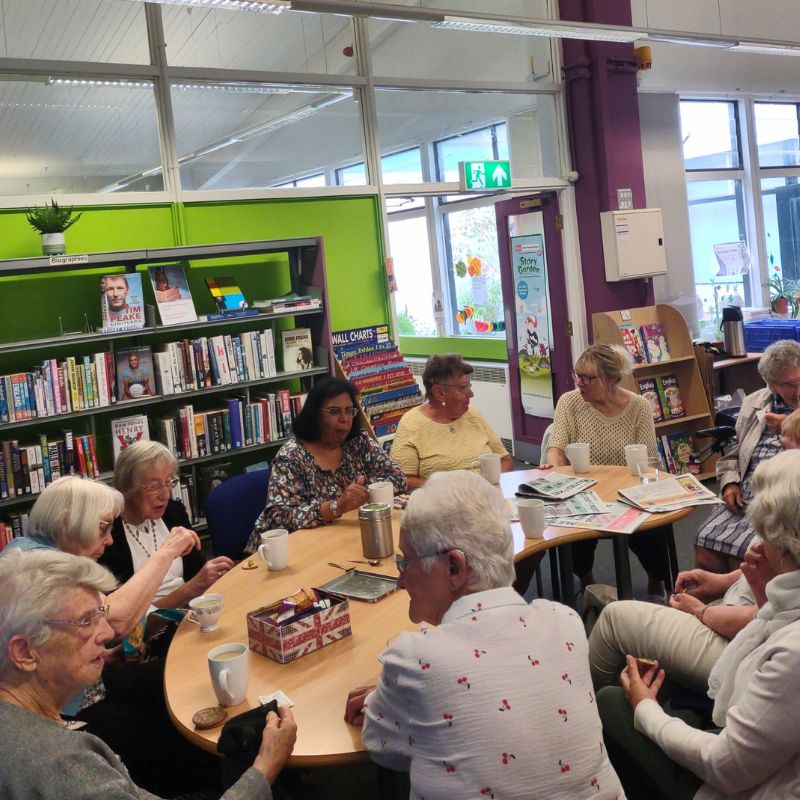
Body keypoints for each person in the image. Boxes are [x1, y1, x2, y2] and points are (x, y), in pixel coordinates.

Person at [344, 470, 623, 800]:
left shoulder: (414, 659)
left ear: (454, 568)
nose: (400, 580)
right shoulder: (565, 621)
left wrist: (389, 693)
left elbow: (382, 747)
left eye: (406, 562)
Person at [0, 547, 297, 800]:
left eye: (101, 614)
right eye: (85, 622)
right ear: (25, 653)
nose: (106, 632)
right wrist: (264, 769)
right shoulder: (64, 766)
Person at [597, 450, 800, 800]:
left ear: (783, 548)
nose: (756, 544)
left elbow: (726, 766)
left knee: (613, 700)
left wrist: (646, 709)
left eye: (763, 535)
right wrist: (763, 589)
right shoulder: (786, 599)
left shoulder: (792, 654)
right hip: (756, 752)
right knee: (634, 687)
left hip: (740, 786)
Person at [543, 344, 666, 600]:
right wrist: (552, 467)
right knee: (574, 530)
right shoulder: (570, 402)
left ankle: (657, 579)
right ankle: (587, 580)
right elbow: (556, 448)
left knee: (650, 529)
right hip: (584, 492)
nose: (580, 383)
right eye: (577, 375)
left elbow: (649, 460)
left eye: (588, 378)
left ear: (610, 380)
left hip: (628, 492)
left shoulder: (639, 406)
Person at [245, 377, 406, 546]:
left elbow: (398, 478)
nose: (344, 419)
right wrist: (336, 506)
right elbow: (278, 519)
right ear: (315, 415)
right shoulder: (292, 457)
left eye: (349, 410)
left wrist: (363, 492)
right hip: (287, 551)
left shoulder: (359, 442)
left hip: (338, 539)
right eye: (334, 412)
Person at [694, 339, 800, 573]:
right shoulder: (755, 403)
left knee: (743, 556)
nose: (798, 391)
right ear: (772, 385)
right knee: (704, 542)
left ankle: (741, 604)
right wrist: (729, 483)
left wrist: (790, 427)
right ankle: (709, 603)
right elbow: (734, 452)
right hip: (745, 494)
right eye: (789, 385)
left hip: (786, 495)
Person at [100, 440, 234, 609]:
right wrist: (192, 588)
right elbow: (124, 616)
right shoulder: (108, 537)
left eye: (169, 482)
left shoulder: (173, 512)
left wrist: (211, 574)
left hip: (191, 611)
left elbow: (197, 571)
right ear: (126, 489)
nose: (165, 495)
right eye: (153, 486)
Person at [390, 354, 512, 490]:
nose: (471, 394)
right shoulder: (411, 424)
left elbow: (505, 460)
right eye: (463, 388)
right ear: (439, 393)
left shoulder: (473, 415)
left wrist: (487, 486)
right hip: (443, 503)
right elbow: (404, 480)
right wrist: (453, 488)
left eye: (469, 386)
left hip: (487, 497)